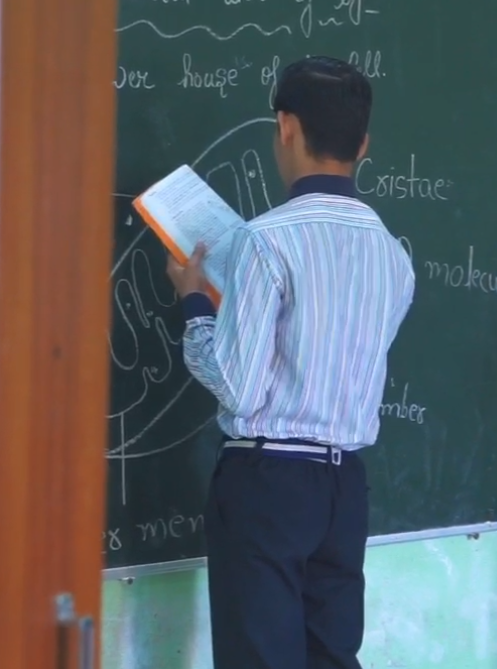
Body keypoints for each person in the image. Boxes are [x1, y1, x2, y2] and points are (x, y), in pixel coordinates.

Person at [165, 56, 416, 669]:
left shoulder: (266, 240)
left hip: (268, 483)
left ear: (285, 127)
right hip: (343, 485)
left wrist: (196, 301)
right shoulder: (392, 254)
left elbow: (240, 386)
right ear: (363, 144)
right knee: (331, 655)